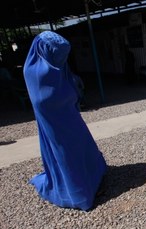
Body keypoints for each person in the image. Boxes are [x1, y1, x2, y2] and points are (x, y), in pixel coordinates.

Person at [23, 31, 107, 211]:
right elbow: (43, 100)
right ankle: (78, 193)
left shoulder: (58, 65)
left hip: (71, 118)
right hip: (55, 124)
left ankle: (92, 175)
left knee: (82, 147)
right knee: (66, 154)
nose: (62, 59)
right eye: (59, 54)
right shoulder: (34, 71)